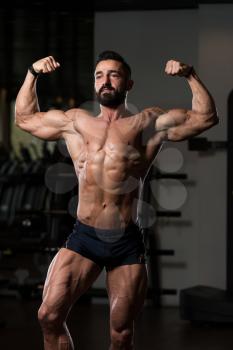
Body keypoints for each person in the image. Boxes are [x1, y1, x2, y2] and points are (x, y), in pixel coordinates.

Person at [15, 51, 218, 350]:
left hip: (125, 241)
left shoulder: (146, 123)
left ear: (128, 83)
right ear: (94, 84)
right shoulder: (75, 122)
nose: (105, 81)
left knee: (121, 334)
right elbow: (24, 118)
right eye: (99, 75)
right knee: (48, 315)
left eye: (114, 74)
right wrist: (32, 73)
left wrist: (190, 76)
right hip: (84, 237)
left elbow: (206, 118)